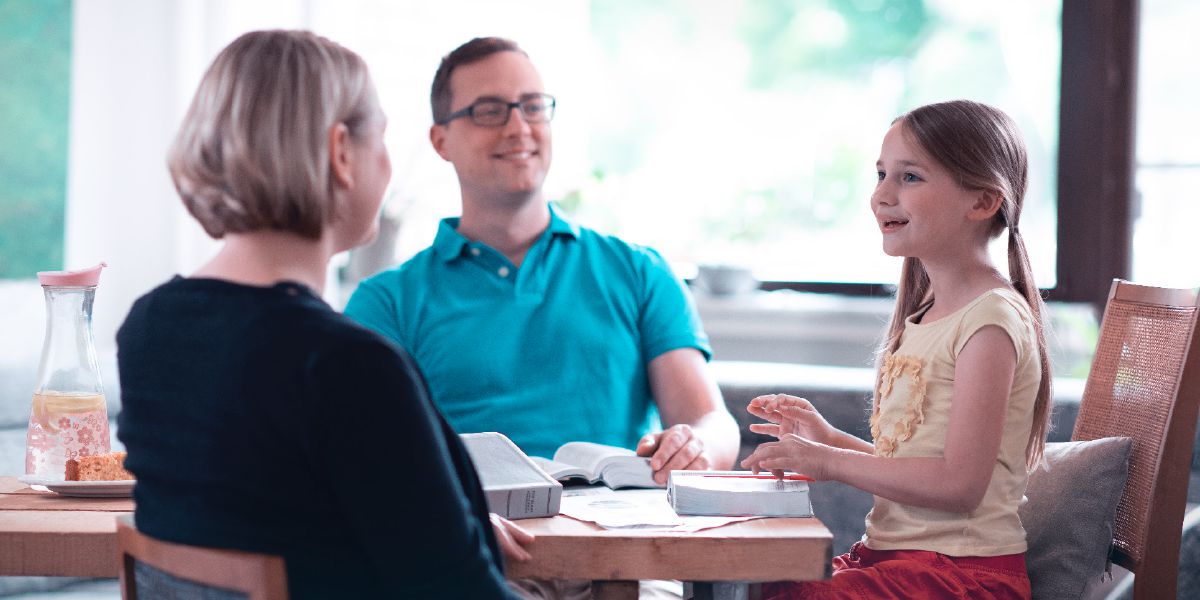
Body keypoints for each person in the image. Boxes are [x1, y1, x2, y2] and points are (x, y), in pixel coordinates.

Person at [115, 30, 520, 599]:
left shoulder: (149, 329)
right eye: (380, 136)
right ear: (340, 154)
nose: (386, 161)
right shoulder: (345, 365)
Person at [345, 37, 739, 482]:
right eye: (489, 111)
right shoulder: (386, 303)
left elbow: (715, 424)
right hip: (473, 541)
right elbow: (365, 458)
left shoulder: (640, 271)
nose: (519, 128)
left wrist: (696, 446)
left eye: (532, 107)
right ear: (441, 141)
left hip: (627, 539)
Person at [742, 100, 1052, 599]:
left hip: (964, 577)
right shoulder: (926, 314)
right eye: (882, 173)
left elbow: (958, 486)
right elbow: (920, 472)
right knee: (753, 582)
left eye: (909, 178)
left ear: (981, 202)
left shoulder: (990, 321)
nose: (881, 195)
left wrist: (827, 461)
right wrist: (830, 440)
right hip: (904, 563)